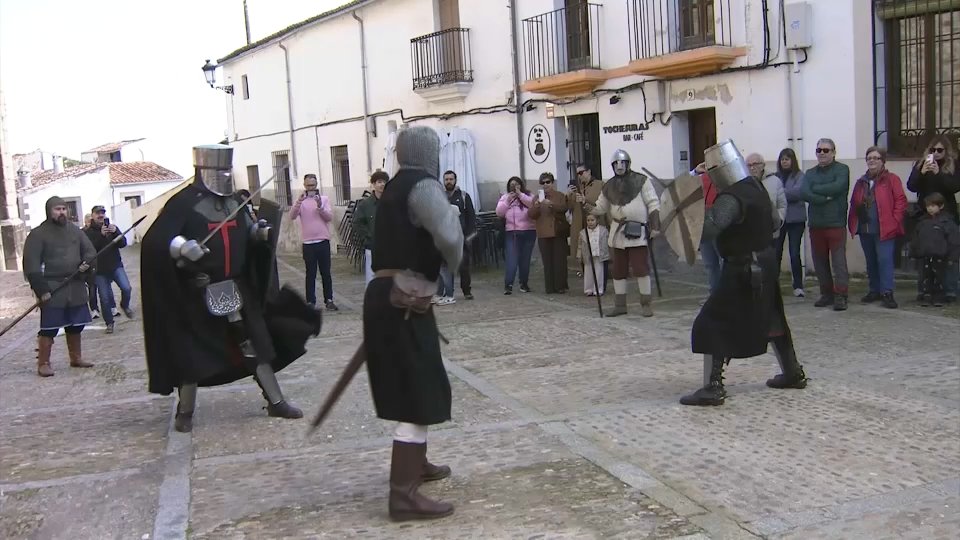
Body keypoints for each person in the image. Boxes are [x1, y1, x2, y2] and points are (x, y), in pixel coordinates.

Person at [141, 144, 321, 433]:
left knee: (254, 346)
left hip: (236, 288)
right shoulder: (183, 203)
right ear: (202, 171)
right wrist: (181, 247)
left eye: (227, 170)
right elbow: (156, 241)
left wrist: (257, 233)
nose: (223, 176)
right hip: (197, 291)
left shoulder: (233, 203)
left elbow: (245, 232)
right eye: (218, 171)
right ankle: (184, 411)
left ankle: (275, 401)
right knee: (192, 352)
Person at [364, 126, 463, 521]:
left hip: (392, 295)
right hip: (404, 300)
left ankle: (416, 464)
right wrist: (454, 263)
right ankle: (403, 495)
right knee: (417, 389)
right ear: (430, 153)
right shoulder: (423, 186)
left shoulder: (392, 187)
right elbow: (449, 236)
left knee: (418, 381)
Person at [680, 142, 808, 406]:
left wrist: (692, 215)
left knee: (711, 320)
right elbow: (774, 222)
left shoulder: (731, 197)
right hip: (766, 260)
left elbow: (709, 230)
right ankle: (793, 372)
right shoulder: (757, 187)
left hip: (742, 267)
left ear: (719, 171)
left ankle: (713, 386)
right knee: (772, 316)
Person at [22, 196, 97, 377]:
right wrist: (41, 290)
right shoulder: (38, 234)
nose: (62, 212)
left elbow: (90, 251)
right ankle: (44, 363)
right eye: (57, 209)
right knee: (50, 327)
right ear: (49, 211)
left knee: (76, 324)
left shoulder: (76, 231)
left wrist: (86, 264)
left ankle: (76, 358)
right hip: (53, 286)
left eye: (64, 208)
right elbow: (31, 264)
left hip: (75, 283)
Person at [585, 149, 661, 317]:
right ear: (612, 165)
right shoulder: (608, 185)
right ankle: (620, 305)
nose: (619, 166)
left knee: (640, 268)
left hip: (637, 232)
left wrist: (655, 225)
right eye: (616, 163)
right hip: (617, 233)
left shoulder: (642, 181)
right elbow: (600, 207)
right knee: (618, 270)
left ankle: (646, 304)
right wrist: (585, 204)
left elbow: (653, 203)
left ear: (628, 164)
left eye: (622, 163)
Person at [847, 146, 907, 309]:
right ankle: (874, 290)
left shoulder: (892, 179)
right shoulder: (861, 182)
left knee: (885, 260)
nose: (872, 161)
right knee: (871, 261)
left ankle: (887, 292)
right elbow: (854, 203)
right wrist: (853, 221)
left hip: (885, 228)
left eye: (876, 158)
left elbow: (901, 201)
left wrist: (895, 220)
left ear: (883, 161)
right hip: (866, 228)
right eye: (869, 158)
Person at [907, 135, 960, 303]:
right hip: (925, 216)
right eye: (933, 150)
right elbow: (911, 186)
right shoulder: (921, 164)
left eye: (939, 150)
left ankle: (950, 290)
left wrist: (938, 173)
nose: (936, 154)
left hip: (947, 215)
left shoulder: (952, 165)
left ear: (946, 151)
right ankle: (927, 289)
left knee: (948, 254)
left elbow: (954, 187)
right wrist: (921, 172)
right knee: (927, 254)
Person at [801, 138, 851, 311]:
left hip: (836, 222)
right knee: (819, 261)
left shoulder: (842, 169)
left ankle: (841, 295)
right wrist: (825, 197)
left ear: (834, 152)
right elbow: (805, 192)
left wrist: (817, 189)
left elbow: (838, 187)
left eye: (826, 150)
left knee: (838, 262)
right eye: (819, 150)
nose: (822, 153)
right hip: (816, 223)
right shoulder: (809, 173)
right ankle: (826, 293)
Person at [290, 174, 338, 311]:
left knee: (326, 273)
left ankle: (329, 299)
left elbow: (328, 218)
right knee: (310, 273)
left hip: (323, 240)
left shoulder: (324, 199)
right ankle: (310, 301)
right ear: (304, 186)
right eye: (308, 185)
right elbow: (292, 216)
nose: (311, 188)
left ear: (317, 185)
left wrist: (320, 206)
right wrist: (299, 202)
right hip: (308, 243)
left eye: (313, 185)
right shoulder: (301, 201)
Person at [84, 205, 135, 333]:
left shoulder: (113, 228)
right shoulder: (87, 232)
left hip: (115, 265)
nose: (101, 215)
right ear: (93, 215)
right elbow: (90, 250)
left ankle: (124, 305)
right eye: (97, 213)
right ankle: (109, 323)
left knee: (126, 288)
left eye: (102, 213)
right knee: (105, 298)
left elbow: (123, 243)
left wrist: (116, 233)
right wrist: (101, 236)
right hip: (99, 270)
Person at [911, 193, 960, 307]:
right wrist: (914, 252)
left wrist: (953, 256)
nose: (930, 209)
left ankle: (941, 295)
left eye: (933, 206)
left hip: (942, 256)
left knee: (940, 277)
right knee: (926, 276)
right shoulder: (923, 222)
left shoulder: (947, 222)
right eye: (928, 206)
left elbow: (954, 241)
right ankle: (926, 294)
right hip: (925, 255)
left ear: (941, 206)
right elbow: (916, 238)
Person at [436, 170, 476, 303]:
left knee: (464, 266)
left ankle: (467, 290)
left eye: (451, 179)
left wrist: (469, 236)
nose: (448, 181)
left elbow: (471, 217)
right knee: (445, 267)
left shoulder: (464, 196)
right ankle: (448, 292)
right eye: (446, 179)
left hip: (461, 237)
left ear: (455, 180)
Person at [529, 172, 570, 294]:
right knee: (547, 261)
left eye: (548, 182)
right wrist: (536, 206)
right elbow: (531, 215)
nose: (545, 185)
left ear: (552, 183)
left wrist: (551, 204)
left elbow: (564, 208)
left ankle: (561, 286)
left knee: (559, 260)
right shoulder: (537, 198)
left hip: (557, 231)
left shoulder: (559, 196)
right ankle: (550, 287)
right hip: (543, 233)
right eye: (543, 183)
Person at [774, 148, 807, 297]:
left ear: (793, 160)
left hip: (796, 220)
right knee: (776, 252)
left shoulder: (800, 176)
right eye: (782, 159)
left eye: (787, 159)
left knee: (794, 253)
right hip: (779, 219)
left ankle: (798, 286)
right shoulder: (776, 177)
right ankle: (773, 284)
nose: (785, 161)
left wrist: (779, 194)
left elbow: (798, 193)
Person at [495, 176, 537, 295]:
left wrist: (520, 195)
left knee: (525, 260)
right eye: (512, 185)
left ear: (521, 185)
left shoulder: (528, 195)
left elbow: (533, 205)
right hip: (512, 232)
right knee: (511, 259)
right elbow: (499, 212)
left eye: (516, 185)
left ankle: (524, 283)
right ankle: (508, 284)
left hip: (529, 231)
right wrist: (508, 200)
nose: (514, 187)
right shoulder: (505, 197)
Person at [353, 170, 389, 285]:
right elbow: (358, 223)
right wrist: (368, 238)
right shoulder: (365, 204)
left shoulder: (392, 203)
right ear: (373, 184)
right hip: (372, 247)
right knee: (372, 278)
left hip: (389, 247)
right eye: (379, 182)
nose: (382, 184)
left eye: (384, 182)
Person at [746, 153, 787, 240]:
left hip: (771, 232)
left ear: (763, 165)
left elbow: (782, 205)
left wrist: (777, 221)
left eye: (755, 164)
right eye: (749, 165)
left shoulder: (775, 181)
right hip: (749, 234)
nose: (752, 168)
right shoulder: (743, 183)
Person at [578, 213, 609, 296]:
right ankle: (588, 289)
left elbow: (606, 243)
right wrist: (579, 255)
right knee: (588, 272)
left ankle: (598, 289)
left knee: (599, 272)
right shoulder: (583, 233)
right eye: (588, 220)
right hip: (587, 254)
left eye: (592, 220)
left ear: (597, 220)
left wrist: (607, 254)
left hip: (599, 254)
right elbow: (580, 245)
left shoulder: (603, 231)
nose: (590, 222)